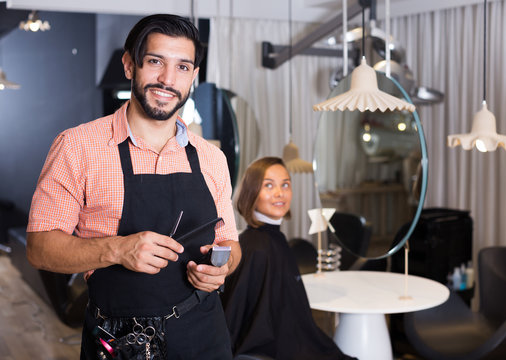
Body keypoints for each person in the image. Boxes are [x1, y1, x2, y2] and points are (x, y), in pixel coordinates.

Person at [26, 14, 241, 360]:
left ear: (194, 77)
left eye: (183, 67)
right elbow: (39, 248)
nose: (168, 79)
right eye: (155, 61)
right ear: (130, 65)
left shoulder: (211, 158)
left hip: (204, 333)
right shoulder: (78, 147)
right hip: (118, 340)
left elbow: (230, 242)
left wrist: (221, 269)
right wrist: (117, 250)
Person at [220, 157, 356, 360]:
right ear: (251, 193)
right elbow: (240, 321)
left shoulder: (273, 239)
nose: (279, 193)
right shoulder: (257, 249)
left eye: (285, 184)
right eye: (268, 185)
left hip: (295, 343)